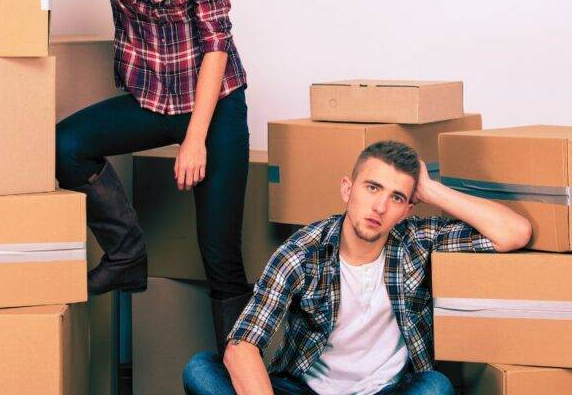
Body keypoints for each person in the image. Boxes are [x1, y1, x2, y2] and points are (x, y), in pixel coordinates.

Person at [0, 0, 252, 349]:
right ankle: (125, 254)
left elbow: (216, 44)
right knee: (64, 144)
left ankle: (239, 380)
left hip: (214, 104)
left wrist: (196, 139)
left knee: (220, 258)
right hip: (152, 98)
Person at [183, 141, 533, 395]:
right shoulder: (303, 251)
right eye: (372, 187)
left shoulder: (416, 240)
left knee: (435, 388)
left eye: (397, 197)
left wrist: (431, 189)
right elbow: (243, 344)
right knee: (201, 369)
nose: (380, 206)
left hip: (384, 392)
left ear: (408, 209)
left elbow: (514, 233)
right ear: (347, 190)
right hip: (303, 390)